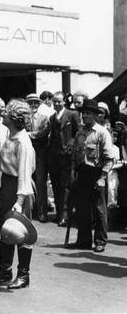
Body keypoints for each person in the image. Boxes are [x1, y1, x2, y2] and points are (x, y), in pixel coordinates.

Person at [0, 99, 36, 289]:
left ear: (14, 118)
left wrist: (20, 201)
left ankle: (24, 275)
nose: (2, 114)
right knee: (5, 228)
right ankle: (5, 270)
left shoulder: (23, 142)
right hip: (7, 187)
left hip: (19, 189)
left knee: (21, 231)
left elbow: (24, 172)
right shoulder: (10, 136)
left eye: (5, 112)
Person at [69, 99, 114, 253]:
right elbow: (75, 156)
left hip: (97, 174)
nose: (85, 116)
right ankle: (83, 240)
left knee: (99, 210)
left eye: (88, 113)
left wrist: (102, 177)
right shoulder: (79, 133)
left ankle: (100, 241)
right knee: (82, 209)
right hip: (82, 174)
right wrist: (73, 173)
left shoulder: (102, 133)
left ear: (95, 115)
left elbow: (109, 158)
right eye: (83, 113)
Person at [47, 91, 81, 227]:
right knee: (55, 185)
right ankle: (59, 213)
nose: (56, 103)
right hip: (53, 156)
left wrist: (71, 147)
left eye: (59, 101)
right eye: (54, 101)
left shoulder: (72, 115)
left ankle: (65, 216)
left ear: (64, 102)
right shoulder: (51, 117)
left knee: (65, 186)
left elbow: (78, 133)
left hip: (66, 156)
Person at [25, 93, 50, 222]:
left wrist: (29, 134)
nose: (33, 105)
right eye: (31, 103)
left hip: (40, 155)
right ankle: (30, 211)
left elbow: (44, 132)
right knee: (27, 182)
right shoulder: (23, 118)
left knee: (40, 183)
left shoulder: (44, 118)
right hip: (26, 154)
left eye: (36, 103)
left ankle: (42, 213)